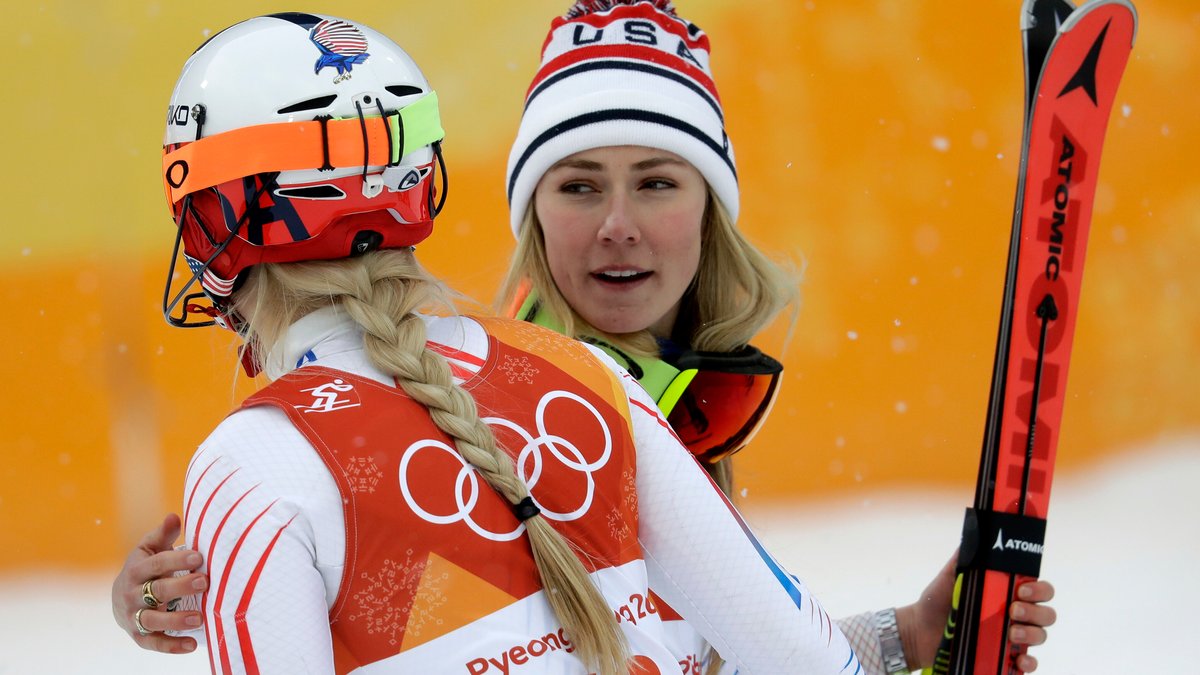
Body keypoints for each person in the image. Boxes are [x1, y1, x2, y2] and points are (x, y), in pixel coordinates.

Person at [113, 2, 1056, 673]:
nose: (618, 226)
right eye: (579, 184)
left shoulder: (259, 460)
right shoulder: (585, 381)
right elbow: (799, 660)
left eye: (655, 180)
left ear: (218, 219)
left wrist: (907, 636)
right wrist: (895, 645)